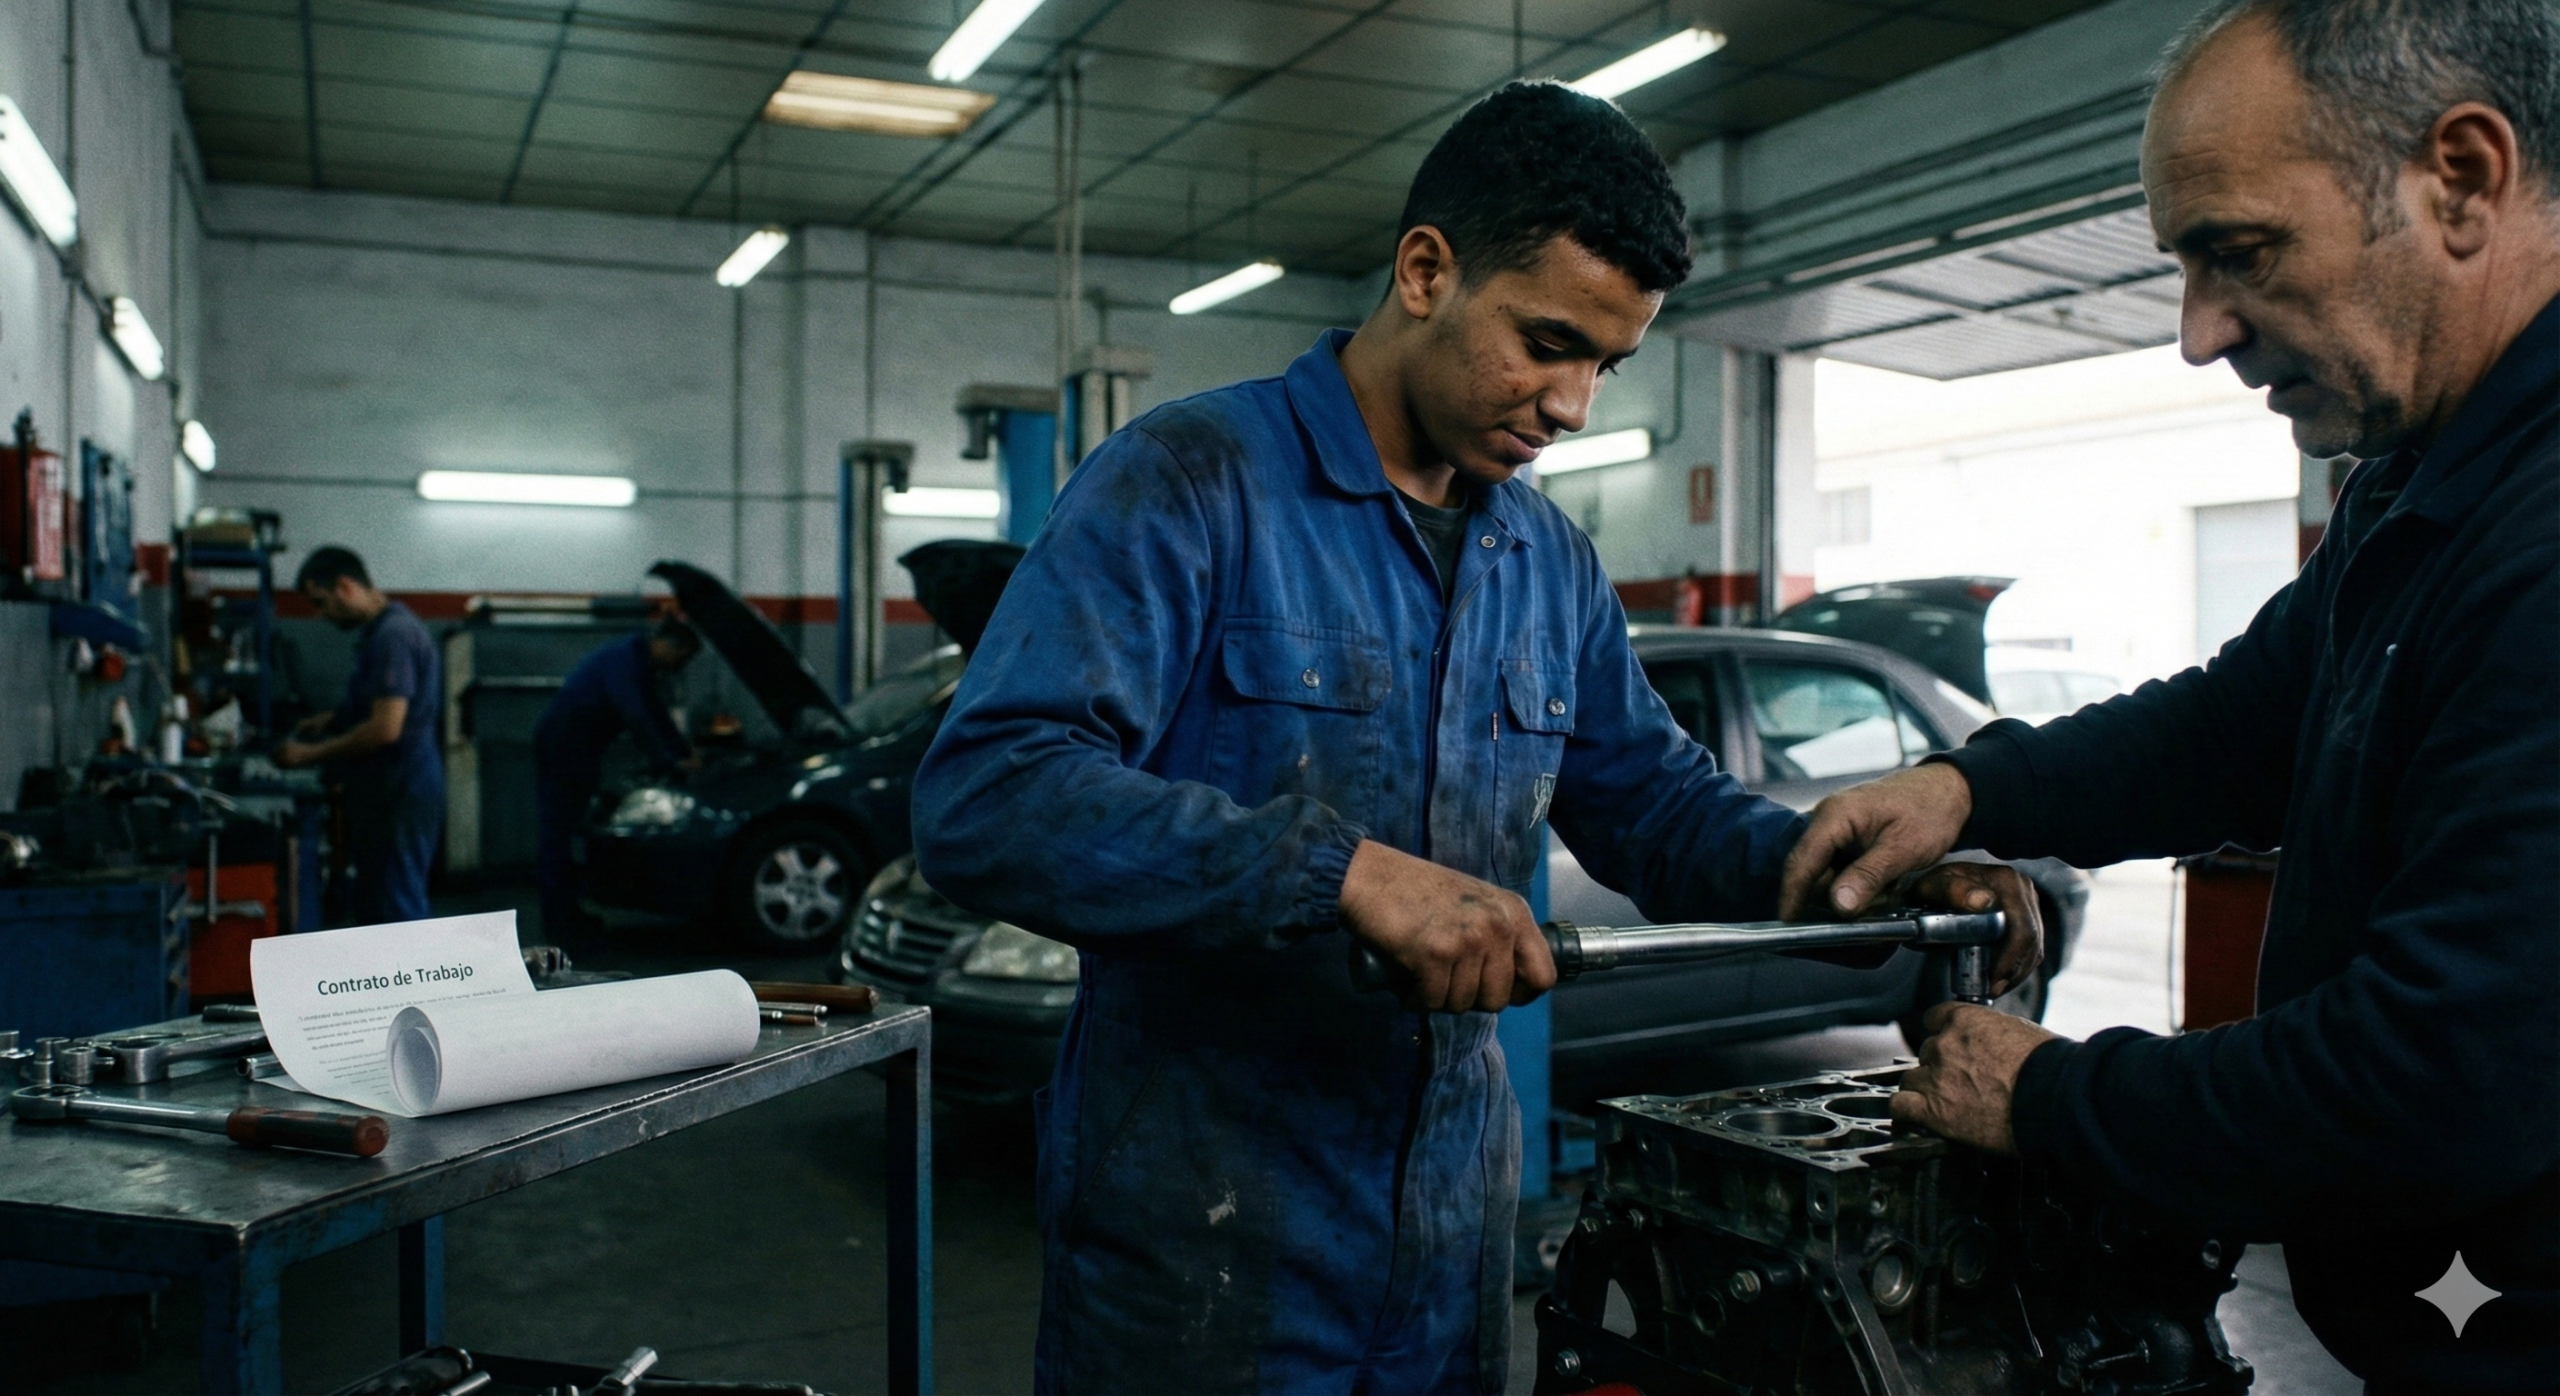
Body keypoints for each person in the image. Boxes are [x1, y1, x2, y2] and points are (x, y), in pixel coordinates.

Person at [912, 83, 2039, 1394]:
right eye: (1547, 342)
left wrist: (1879, 880)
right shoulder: (1191, 484)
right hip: (1202, 1247)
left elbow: (1663, 817)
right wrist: (1339, 872)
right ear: (1427, 270)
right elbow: (990, 795)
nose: (1571, 405)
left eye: (1604, 366)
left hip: (1450, 1245)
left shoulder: (1545, 560)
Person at [1778, 2, 2559, 1389]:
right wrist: (1973, 788)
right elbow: (2234, 723)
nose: (2201, 335)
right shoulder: (2429, 483)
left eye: (2239, 253)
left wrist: (2050, 1095)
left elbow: (2437, 1078)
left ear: (2464, 178)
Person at [277, 546, 446, 926]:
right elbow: (379, 705)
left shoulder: (393, 636)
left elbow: (385, 728)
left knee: (397, 906)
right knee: (382, 900)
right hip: (392, 787)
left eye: (322, 603)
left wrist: (307, 754)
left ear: (345, 586)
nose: (321, 616)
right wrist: (330, 719)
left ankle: (414, 984)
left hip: (401, 787)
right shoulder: (380, 633)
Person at [532, 617, 701, 943]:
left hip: (580, 748)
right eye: (682, 658)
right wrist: (672, 762)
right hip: (563, 746)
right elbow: (636, 715)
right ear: (667, 645)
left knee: (570, 833)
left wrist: (684, 751)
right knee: (557, 836)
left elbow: (656, 713)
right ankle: (558, 925)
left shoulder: (642, 662)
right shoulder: (624, 659)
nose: (681, 667)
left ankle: (569, 913)